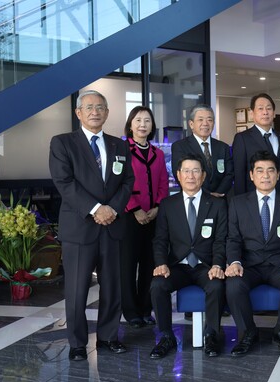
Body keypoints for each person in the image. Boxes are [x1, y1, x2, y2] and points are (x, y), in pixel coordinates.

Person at [49, 90, 134, 361]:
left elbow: (128, 181)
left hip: (113, 227)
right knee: (76, 290)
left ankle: (108, 337)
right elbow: (64, 182)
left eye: (100, 107)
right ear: (78, 113)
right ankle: (77, 343)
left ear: (107, 113)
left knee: (112, 287)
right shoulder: (63, 143)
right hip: (80, 227)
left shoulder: (120, 146)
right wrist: (97, 209)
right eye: (89, 107)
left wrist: (112, 209)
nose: (95, 112)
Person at [225, 150, 280, 357]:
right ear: (251, 175)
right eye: (260, 171)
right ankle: (247, 332)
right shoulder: (237, 203)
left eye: (270, 170)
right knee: (233, 285)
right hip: (248, 264)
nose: (265, 175)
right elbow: (233, 238)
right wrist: (234, 262)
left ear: (278, 175)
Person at [150, 155, 227, 358]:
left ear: (203, 176)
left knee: (216, 285)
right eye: (186, 171)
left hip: (205, 265)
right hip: (179, 265)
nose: (191, 176)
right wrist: (161, 263)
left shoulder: (217, 204)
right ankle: (166, 336)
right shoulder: (168, 204)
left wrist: (218, 264)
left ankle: (211, 335)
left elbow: (221, 240)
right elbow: (160, 240)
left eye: (196, 171)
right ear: (178, 175)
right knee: (158, 285)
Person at [120, 106, 169, 329]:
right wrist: (135, 209)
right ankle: (131, 312)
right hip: (129, 216)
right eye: (138, 120)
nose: (142, 124)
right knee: (128, 266)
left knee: (150, 264)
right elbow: (119, 184)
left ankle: (145, 309)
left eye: (147, 121)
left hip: (153, 216)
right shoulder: (122, 150)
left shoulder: (158, 153)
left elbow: (163, 183)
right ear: (130, 125)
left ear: (152, 126)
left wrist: (158, 206)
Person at [232, 93, 280, 195]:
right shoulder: (242, 138)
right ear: (252, 113)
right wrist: (241, 201)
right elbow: (239, 174)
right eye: (260, 108)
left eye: (269, 108)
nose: (265, 112)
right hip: (254, 197)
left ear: (274, 113)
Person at [171, 104, 233, 197]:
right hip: (194, 198)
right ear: (191, 124)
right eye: (200, 120)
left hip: (220, 199)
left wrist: (218, 194)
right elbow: (179, 175)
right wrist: (208, 194)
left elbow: (229, 174)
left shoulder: (223, 147)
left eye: (209, 120)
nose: (205, 124)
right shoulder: (180, 146)